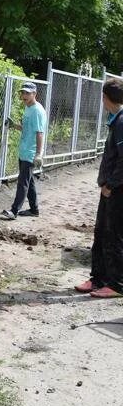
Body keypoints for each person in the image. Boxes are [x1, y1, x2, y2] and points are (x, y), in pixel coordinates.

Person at [74, 78, 123, 298]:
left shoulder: (122, 122)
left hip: (117, 191)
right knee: (100, 233)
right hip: (109, 189)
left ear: (106, 98)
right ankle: (98, 279)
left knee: (113, 236)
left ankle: (116, 284)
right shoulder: (116, 120)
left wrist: (111, 185)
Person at [2, 81, 47, 219]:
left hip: (31, 153)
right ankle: (34, 210)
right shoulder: (28, 108)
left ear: (34, 94)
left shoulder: (37, 111)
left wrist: (38, 154)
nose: (24, 95)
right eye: (23, 92)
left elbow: (39, 133)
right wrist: (14, 125)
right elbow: (27, 128)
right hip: (24, 150)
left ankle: (14, 211)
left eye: (27, 93)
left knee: (23, 182)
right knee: (29, 181)